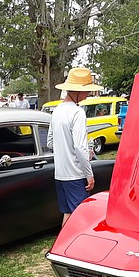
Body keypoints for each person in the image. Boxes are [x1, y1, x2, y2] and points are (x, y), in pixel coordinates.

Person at [46, 67, 102, 226]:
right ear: (77, 91)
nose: (88, 94)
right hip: (75, 174)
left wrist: (64, 148)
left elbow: (50, 142)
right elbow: (79, 146)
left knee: (68, 213)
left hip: (60, 174)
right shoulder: (77, 113)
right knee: (80, 217)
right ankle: (72, 249)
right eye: (86, 91)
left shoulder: (56, 111)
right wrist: (89, 174)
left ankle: (61, 248)